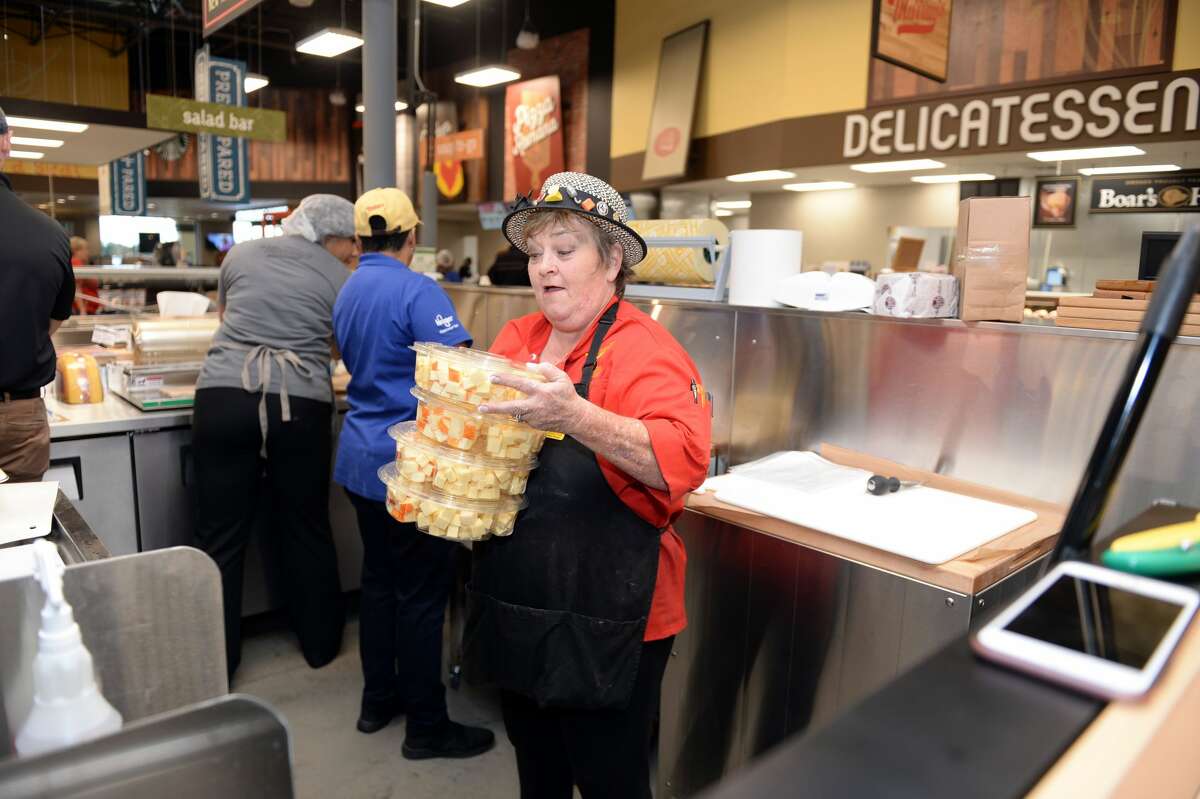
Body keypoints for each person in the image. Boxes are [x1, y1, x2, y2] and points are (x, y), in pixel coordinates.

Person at [465, 172, 712, 799]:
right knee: (537, 769)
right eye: (536, 253)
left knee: (610, 780)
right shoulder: (517, 339)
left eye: (565, 250)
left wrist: (575, 415)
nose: (545, 267)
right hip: (522, 596)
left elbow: (682, 463)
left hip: (615, 615)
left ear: (612, 261)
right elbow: (487, 450)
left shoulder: (645, 350)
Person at [332, 187, 494, 760]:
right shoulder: (418, 290)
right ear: (412, 237)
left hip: (357, 460)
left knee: (378, 583)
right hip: (412, 467)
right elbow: (463, 372)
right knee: (423, 594)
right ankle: (427, 728)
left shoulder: (348, 289)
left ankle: (379, 702)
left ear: (358, 240)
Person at [192, 194, 359, 679]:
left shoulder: (240, 254)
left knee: (219, 534)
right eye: (349, 245)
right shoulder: (340, 278)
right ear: (333, 237)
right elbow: (335, 346)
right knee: (305, 525)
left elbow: (225, 319)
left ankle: (217, 660)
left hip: (225, 395)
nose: (351, 254)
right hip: (299, 402)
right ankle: (320, 645)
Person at [0, 104, 75, 483]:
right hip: (20, 418)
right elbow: (54, 319)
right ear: (7, 143)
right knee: (20, 533)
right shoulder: (50, 233)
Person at [70, 236, 102, 315]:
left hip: (88, 310)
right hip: (85, 311)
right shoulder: (76, 263)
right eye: (86, 249)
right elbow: (77, 289)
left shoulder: (79, 264)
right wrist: (82, 311)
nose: (88, 252)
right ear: (76, 251)